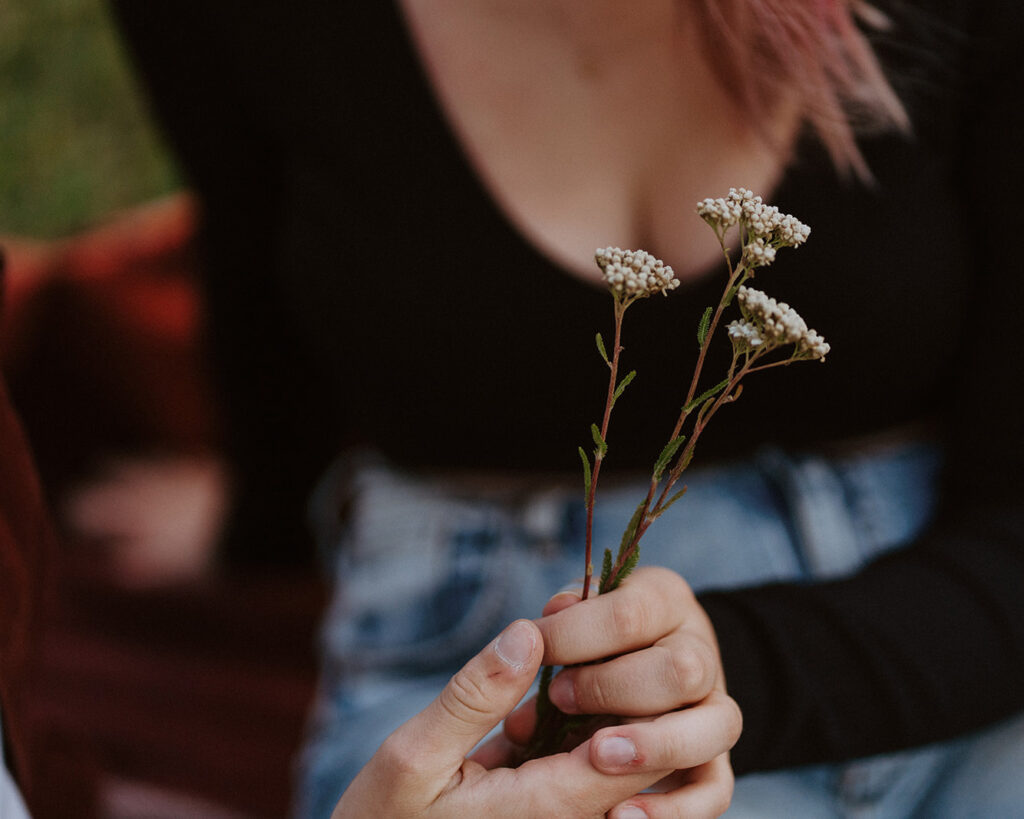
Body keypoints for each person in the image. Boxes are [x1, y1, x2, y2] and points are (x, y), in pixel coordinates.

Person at [108, 0, 1024, 816]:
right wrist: (259, 519)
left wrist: (725, 665)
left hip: (947, 622)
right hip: (494, 681)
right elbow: (253, 269)